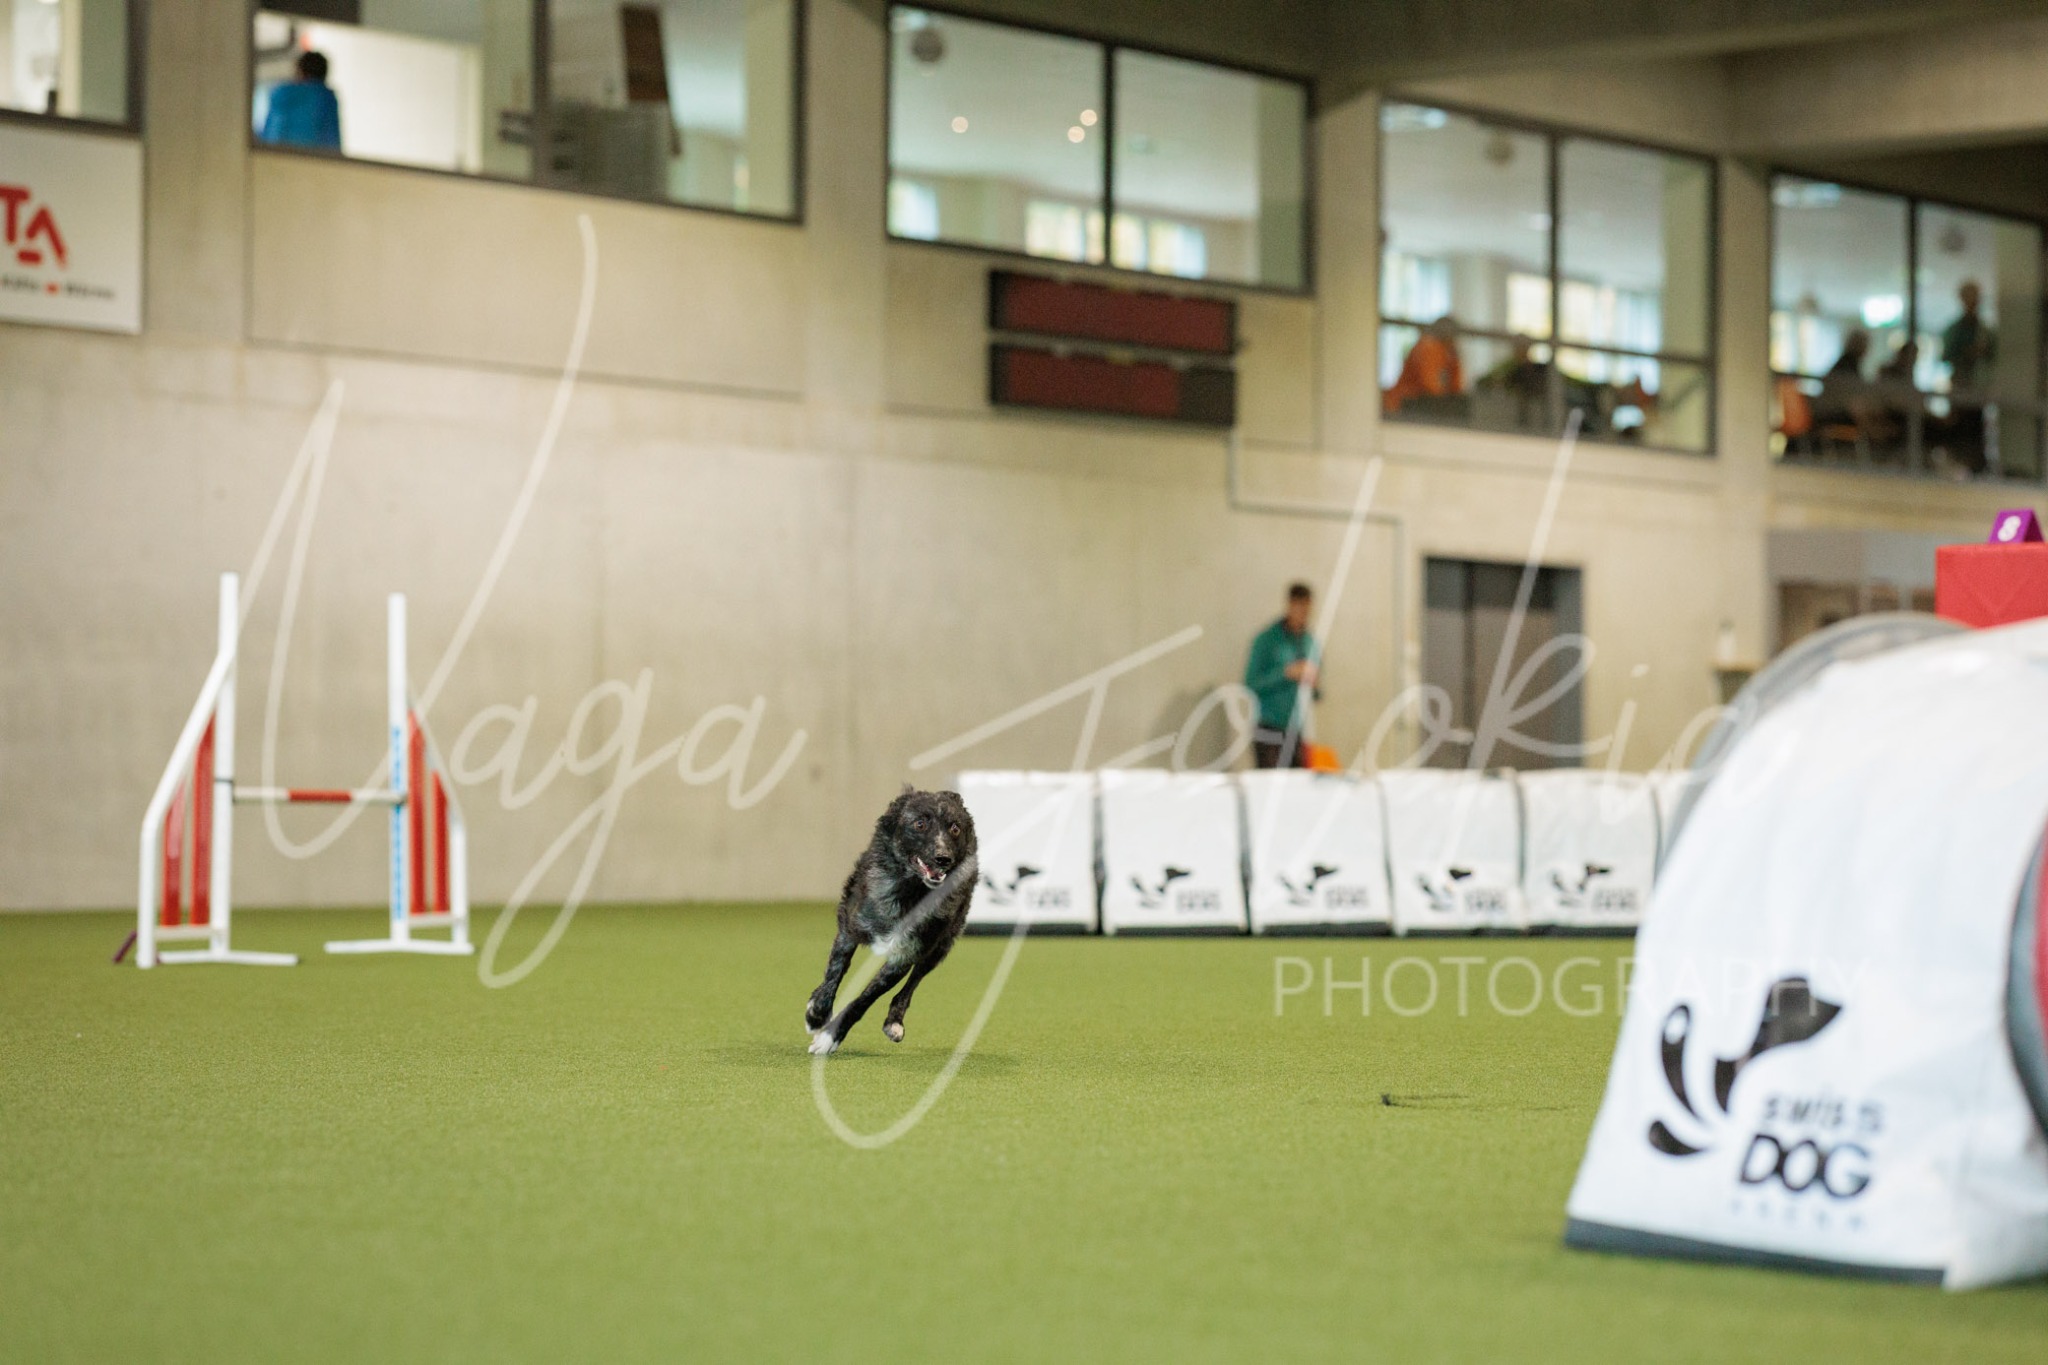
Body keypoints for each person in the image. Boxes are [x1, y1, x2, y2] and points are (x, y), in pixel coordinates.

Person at [1244, 583, 1321, 769]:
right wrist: (1286, 673)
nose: (1302, 614)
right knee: (1270, 784)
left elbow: (1317, 694)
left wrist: (1314, 684)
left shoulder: (1311, 643)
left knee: (1300, 784)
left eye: (1306, 610)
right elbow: (1250, 684)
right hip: (1269, 729)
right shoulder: (1266, 640)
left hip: (1297, 730)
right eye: (1299, 608)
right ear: (1290, 605)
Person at [261, 50, 342, 152]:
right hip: (311, 160)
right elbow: (332, 143)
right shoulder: (325, 99)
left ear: (299, 71)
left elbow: (268, 136)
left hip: (275, 158)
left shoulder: (280, 95)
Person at [1383, 316, 1465, 416]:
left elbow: (1456, 388)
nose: (1455, 342)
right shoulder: (1429, 346)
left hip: (1416, 404)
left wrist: (1454, 360)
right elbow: (1430, 385)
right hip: (1404, 404)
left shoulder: (1444, 351)